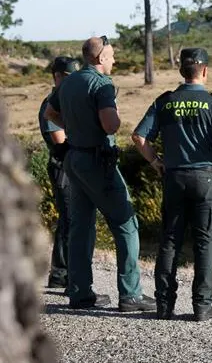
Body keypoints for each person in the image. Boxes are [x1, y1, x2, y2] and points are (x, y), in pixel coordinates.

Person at [131, 48, 212, 322]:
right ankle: (202, 307)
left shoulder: (164, 102)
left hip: (174, 178)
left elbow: (138, 137)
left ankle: (164, 305)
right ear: (205, 71)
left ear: (182, 71)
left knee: (170, 241)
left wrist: (155, 161)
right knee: (205, 244)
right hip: (206, 180)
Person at [44, 36, 155, 312]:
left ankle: (81, 293)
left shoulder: (68, 82)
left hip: (74, 159)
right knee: (126, 224)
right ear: (100, 58)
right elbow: (110, 126)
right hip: (98, 161)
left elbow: (50, 112)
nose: (115, 60)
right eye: (112, 55)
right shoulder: (102, 84)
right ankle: (131, 295)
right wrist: (111, 116)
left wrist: (72, 125)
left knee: (81, 228)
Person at [39, 56, 80, 290]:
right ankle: (64, 274)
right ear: (57, 77)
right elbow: (60, 141)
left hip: (70, 167)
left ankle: (60, 273)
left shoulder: (65, 100)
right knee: (70, 220)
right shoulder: (52, 104)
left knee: (70, 220)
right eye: (68, 78)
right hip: (62, 167)